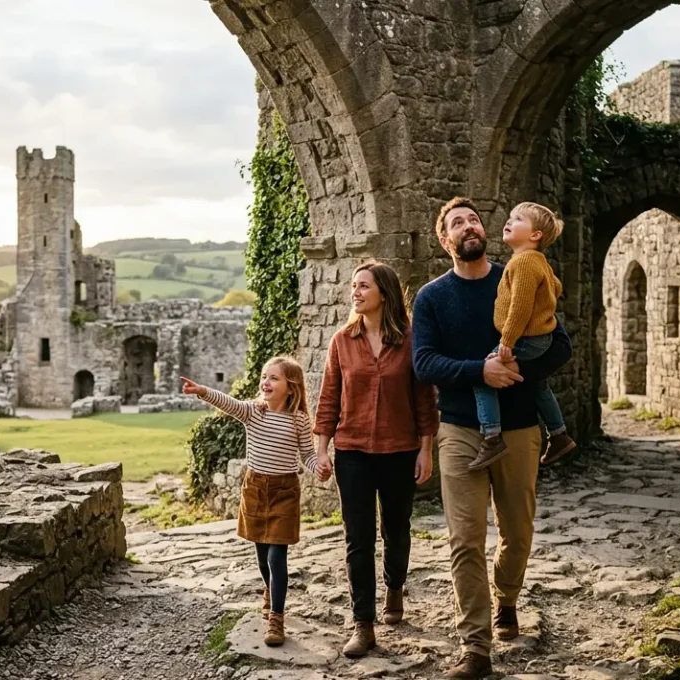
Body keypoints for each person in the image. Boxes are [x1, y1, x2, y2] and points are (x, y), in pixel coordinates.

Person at [412, 196, 573, 679]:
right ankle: (475, 646)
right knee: (464, 538)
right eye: (457, 223)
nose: (469, 227)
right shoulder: (432, 297)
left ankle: (506, 597)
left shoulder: (520, 274)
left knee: (518, 533)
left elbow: (558, 344)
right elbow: (424, 364)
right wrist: (480, 370)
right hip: (460, 428)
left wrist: (513, 369)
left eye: (474, 219)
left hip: (521, 425)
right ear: (446, 241)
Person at [312, 261, 439, 659]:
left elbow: (423, 399)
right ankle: (362, 623)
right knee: (358, 537)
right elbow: (329, 397)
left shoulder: (410, 340)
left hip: (400, 449)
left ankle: (395, 588)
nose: (356, 292)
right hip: (352, 453)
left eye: (363, 286)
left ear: (383, 292)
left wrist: (426, 448)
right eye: (353, 286)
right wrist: (321, 448)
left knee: (397, 529)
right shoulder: (341, 341)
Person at [181, 357, 325, 648]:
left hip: (285, 492)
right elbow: (229, 403)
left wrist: (318, 466)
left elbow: (307, 454)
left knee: (276, 557)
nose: (266, 382)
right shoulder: (254, 412)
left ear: (290, 387)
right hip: (256, 490)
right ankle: (269, 590)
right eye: (264, 376)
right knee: (262, 557)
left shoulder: (298, 418)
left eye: (274, 378)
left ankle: (276, 617)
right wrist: (203, 391)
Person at [469, 201, 578, 470]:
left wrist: (507, 342)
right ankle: (558, 433)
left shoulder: (525, 262)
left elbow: (520, 305)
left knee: (485, 375)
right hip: (539, 338)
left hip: (525, 339)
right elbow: (556, 285)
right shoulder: (537, 261)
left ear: (535, 236)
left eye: (517, 219)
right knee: (536, 381)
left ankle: (492, 437)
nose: (508, 221)